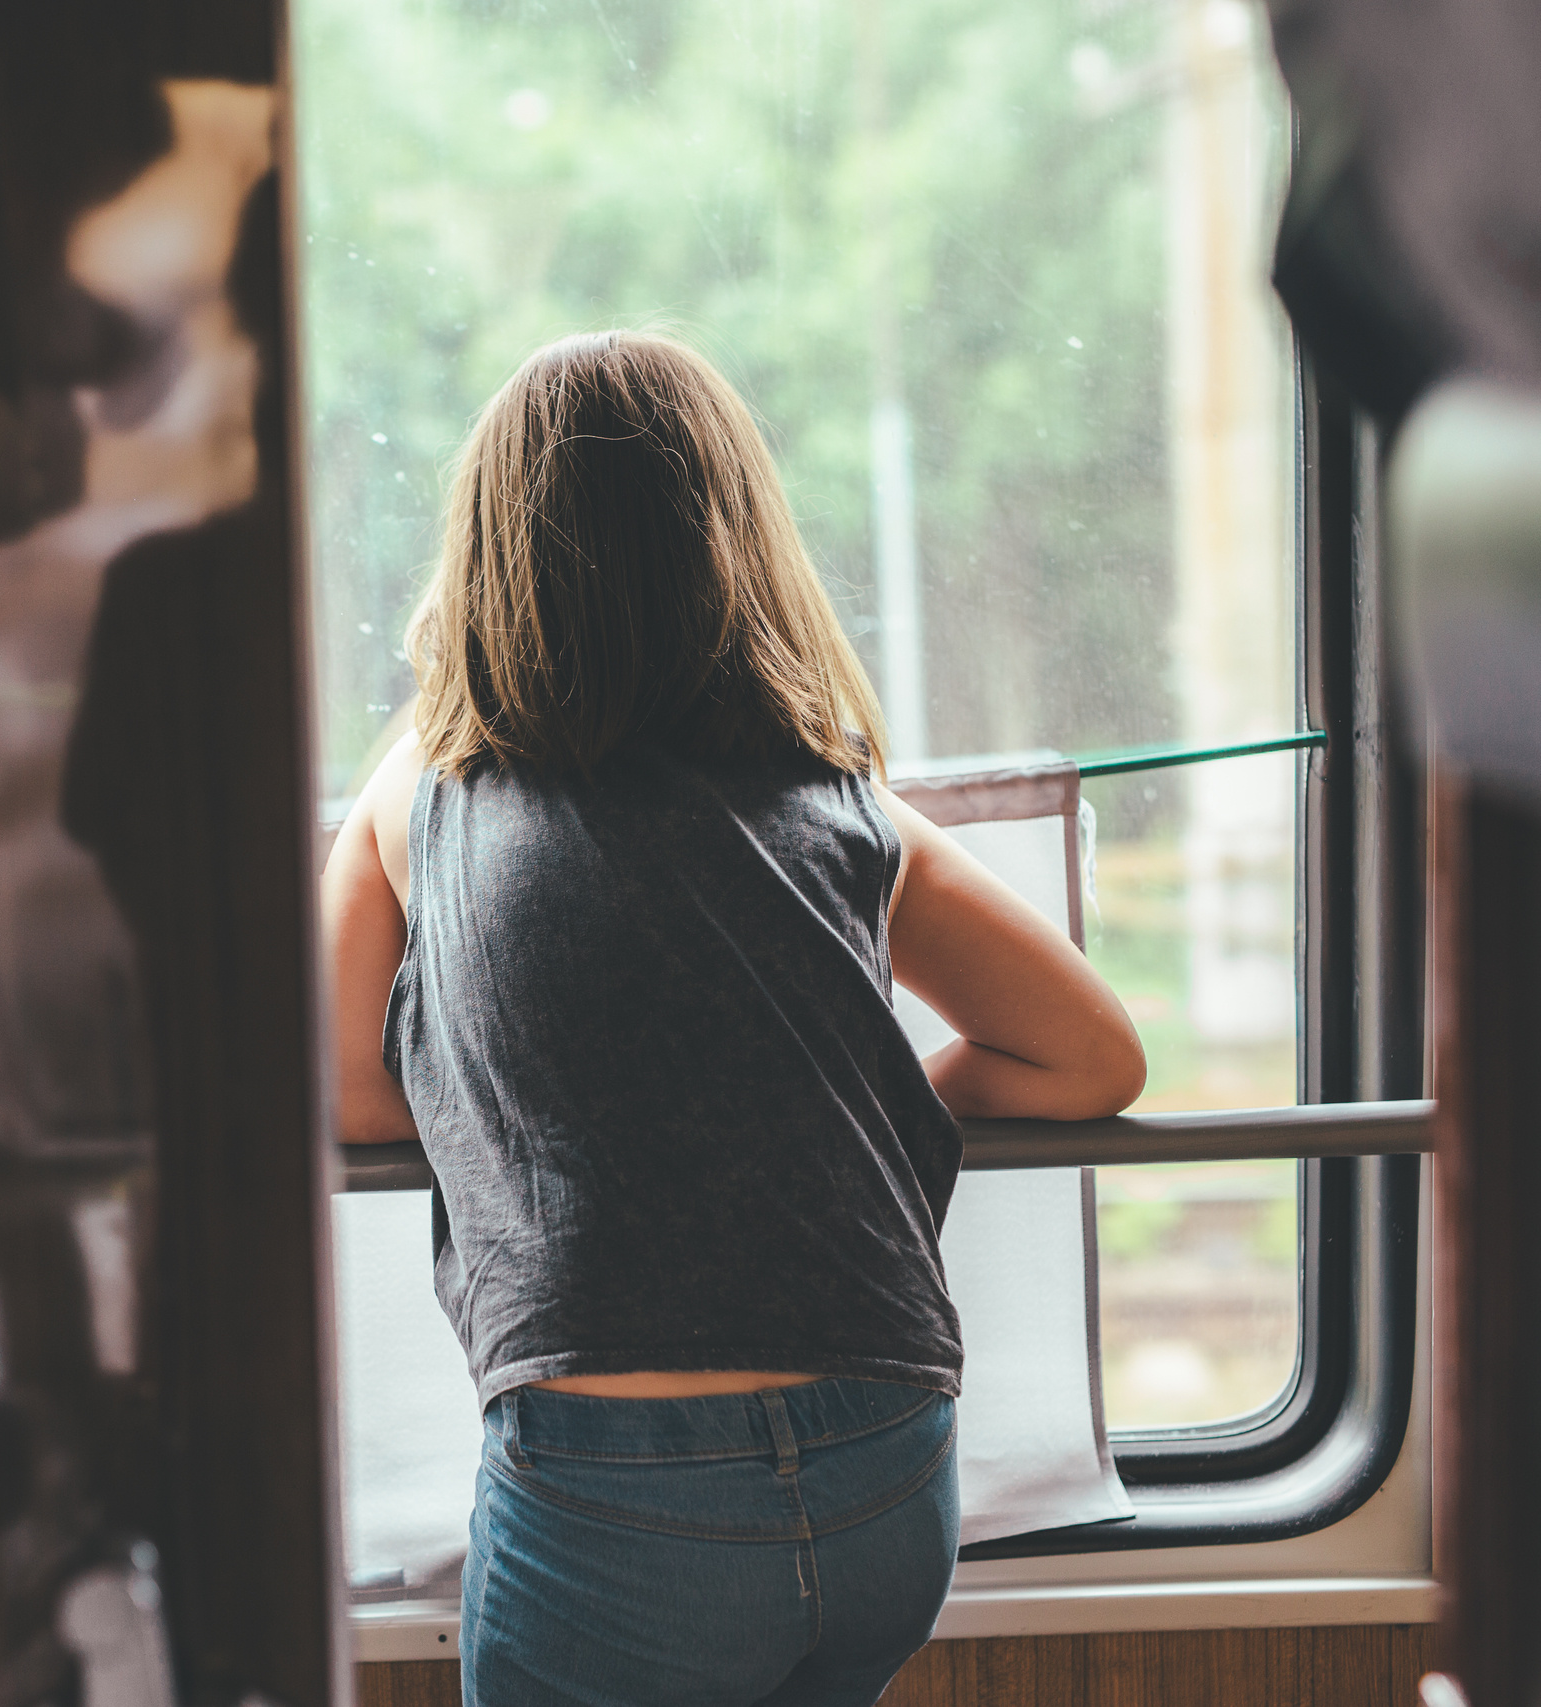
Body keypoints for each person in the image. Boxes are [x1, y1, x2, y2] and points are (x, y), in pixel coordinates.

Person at [321, 331, 1146, 1706]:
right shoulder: (831, 796)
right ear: (734, 538)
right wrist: (833, 1108)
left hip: (619, 1480)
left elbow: (340, 1088)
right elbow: (1091, 1054)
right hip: (892, 1450)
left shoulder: (427, 789)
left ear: (487, 554)